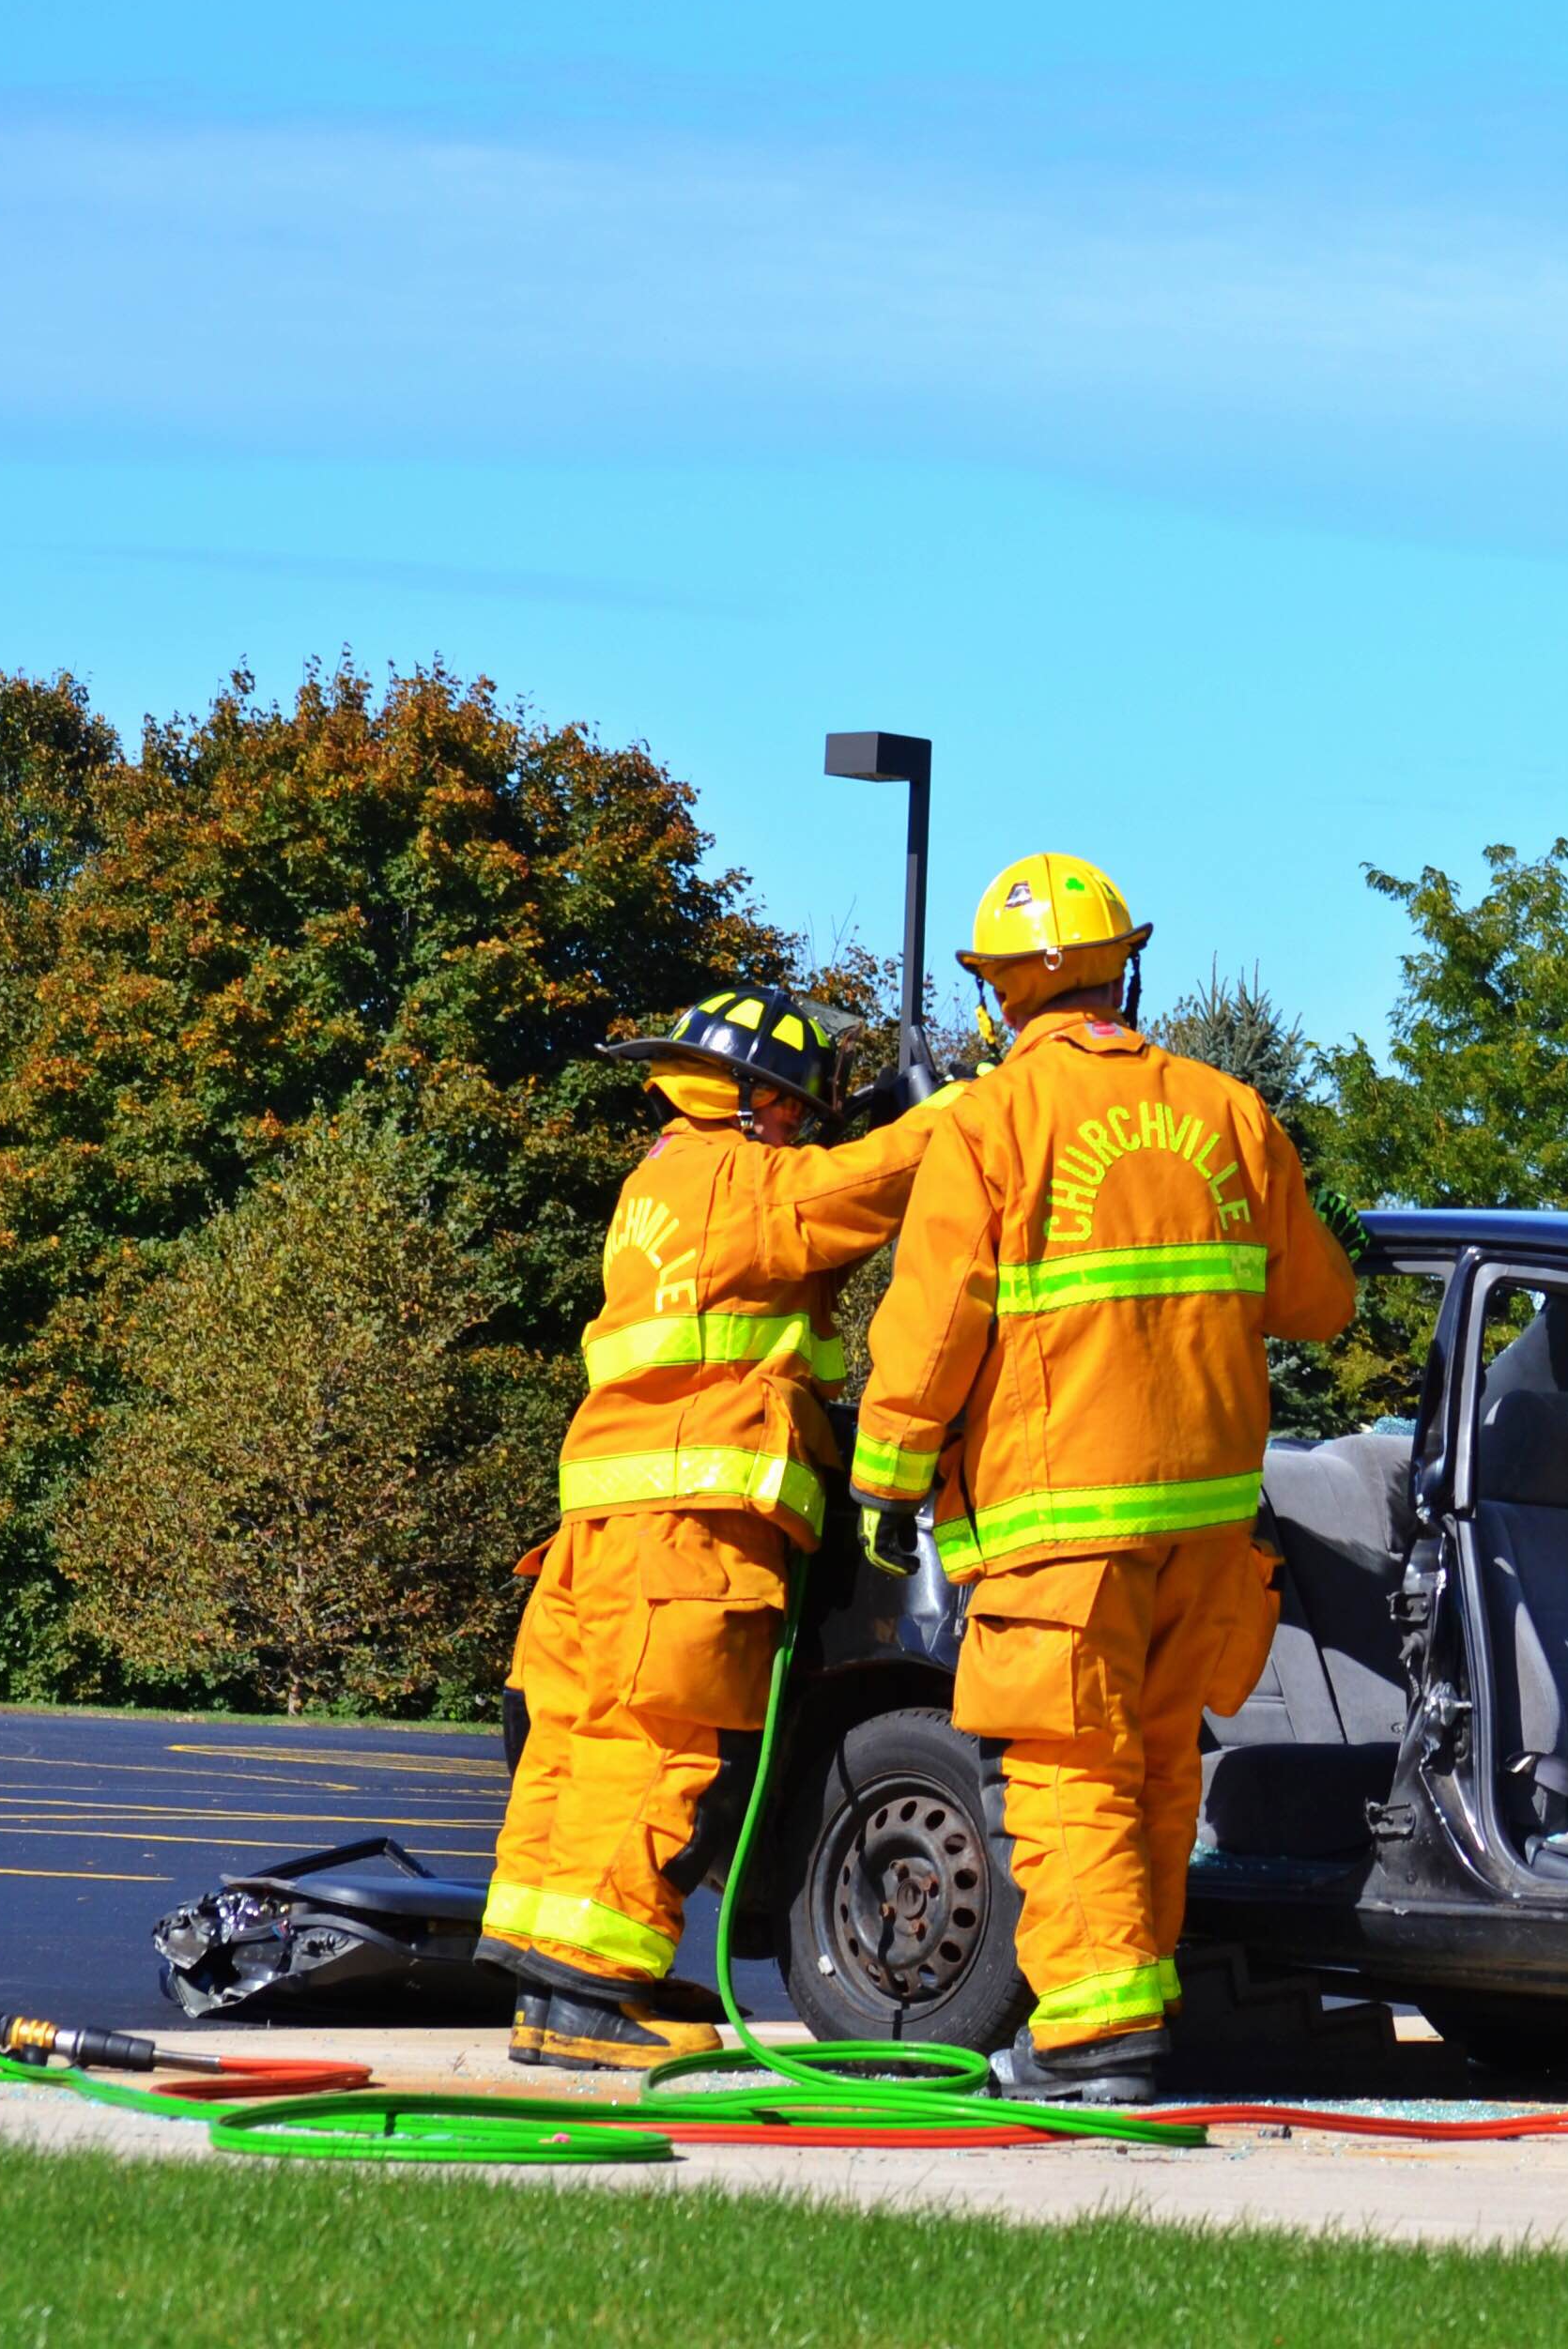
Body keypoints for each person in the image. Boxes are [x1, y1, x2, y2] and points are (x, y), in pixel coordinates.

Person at [848, 852, 1356, 2104]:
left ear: (997, 996)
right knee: (1158, 1767)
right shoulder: (1229, 1112)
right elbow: (1320, 1304)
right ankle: (1135, 2005)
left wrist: (887, 1479)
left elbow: (932, 1325)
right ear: (1126, 970)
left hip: (1057, 1526)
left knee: (1068, 1774)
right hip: (1206, 1531)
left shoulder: (988, 1122)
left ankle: (1091, 2038)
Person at [483, 987, 939, 2069]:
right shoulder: (740, 1180)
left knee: (582, 1740)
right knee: (667, 1747)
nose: (799, 1135)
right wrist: (958, 1110)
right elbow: (868, 1189)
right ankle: (594, 1996)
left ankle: (553, 1987)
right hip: (688, 1528)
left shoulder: (663, 1180)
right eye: (792, 1113)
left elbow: (801, 1231)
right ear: (745, 1098)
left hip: (609, 1523)